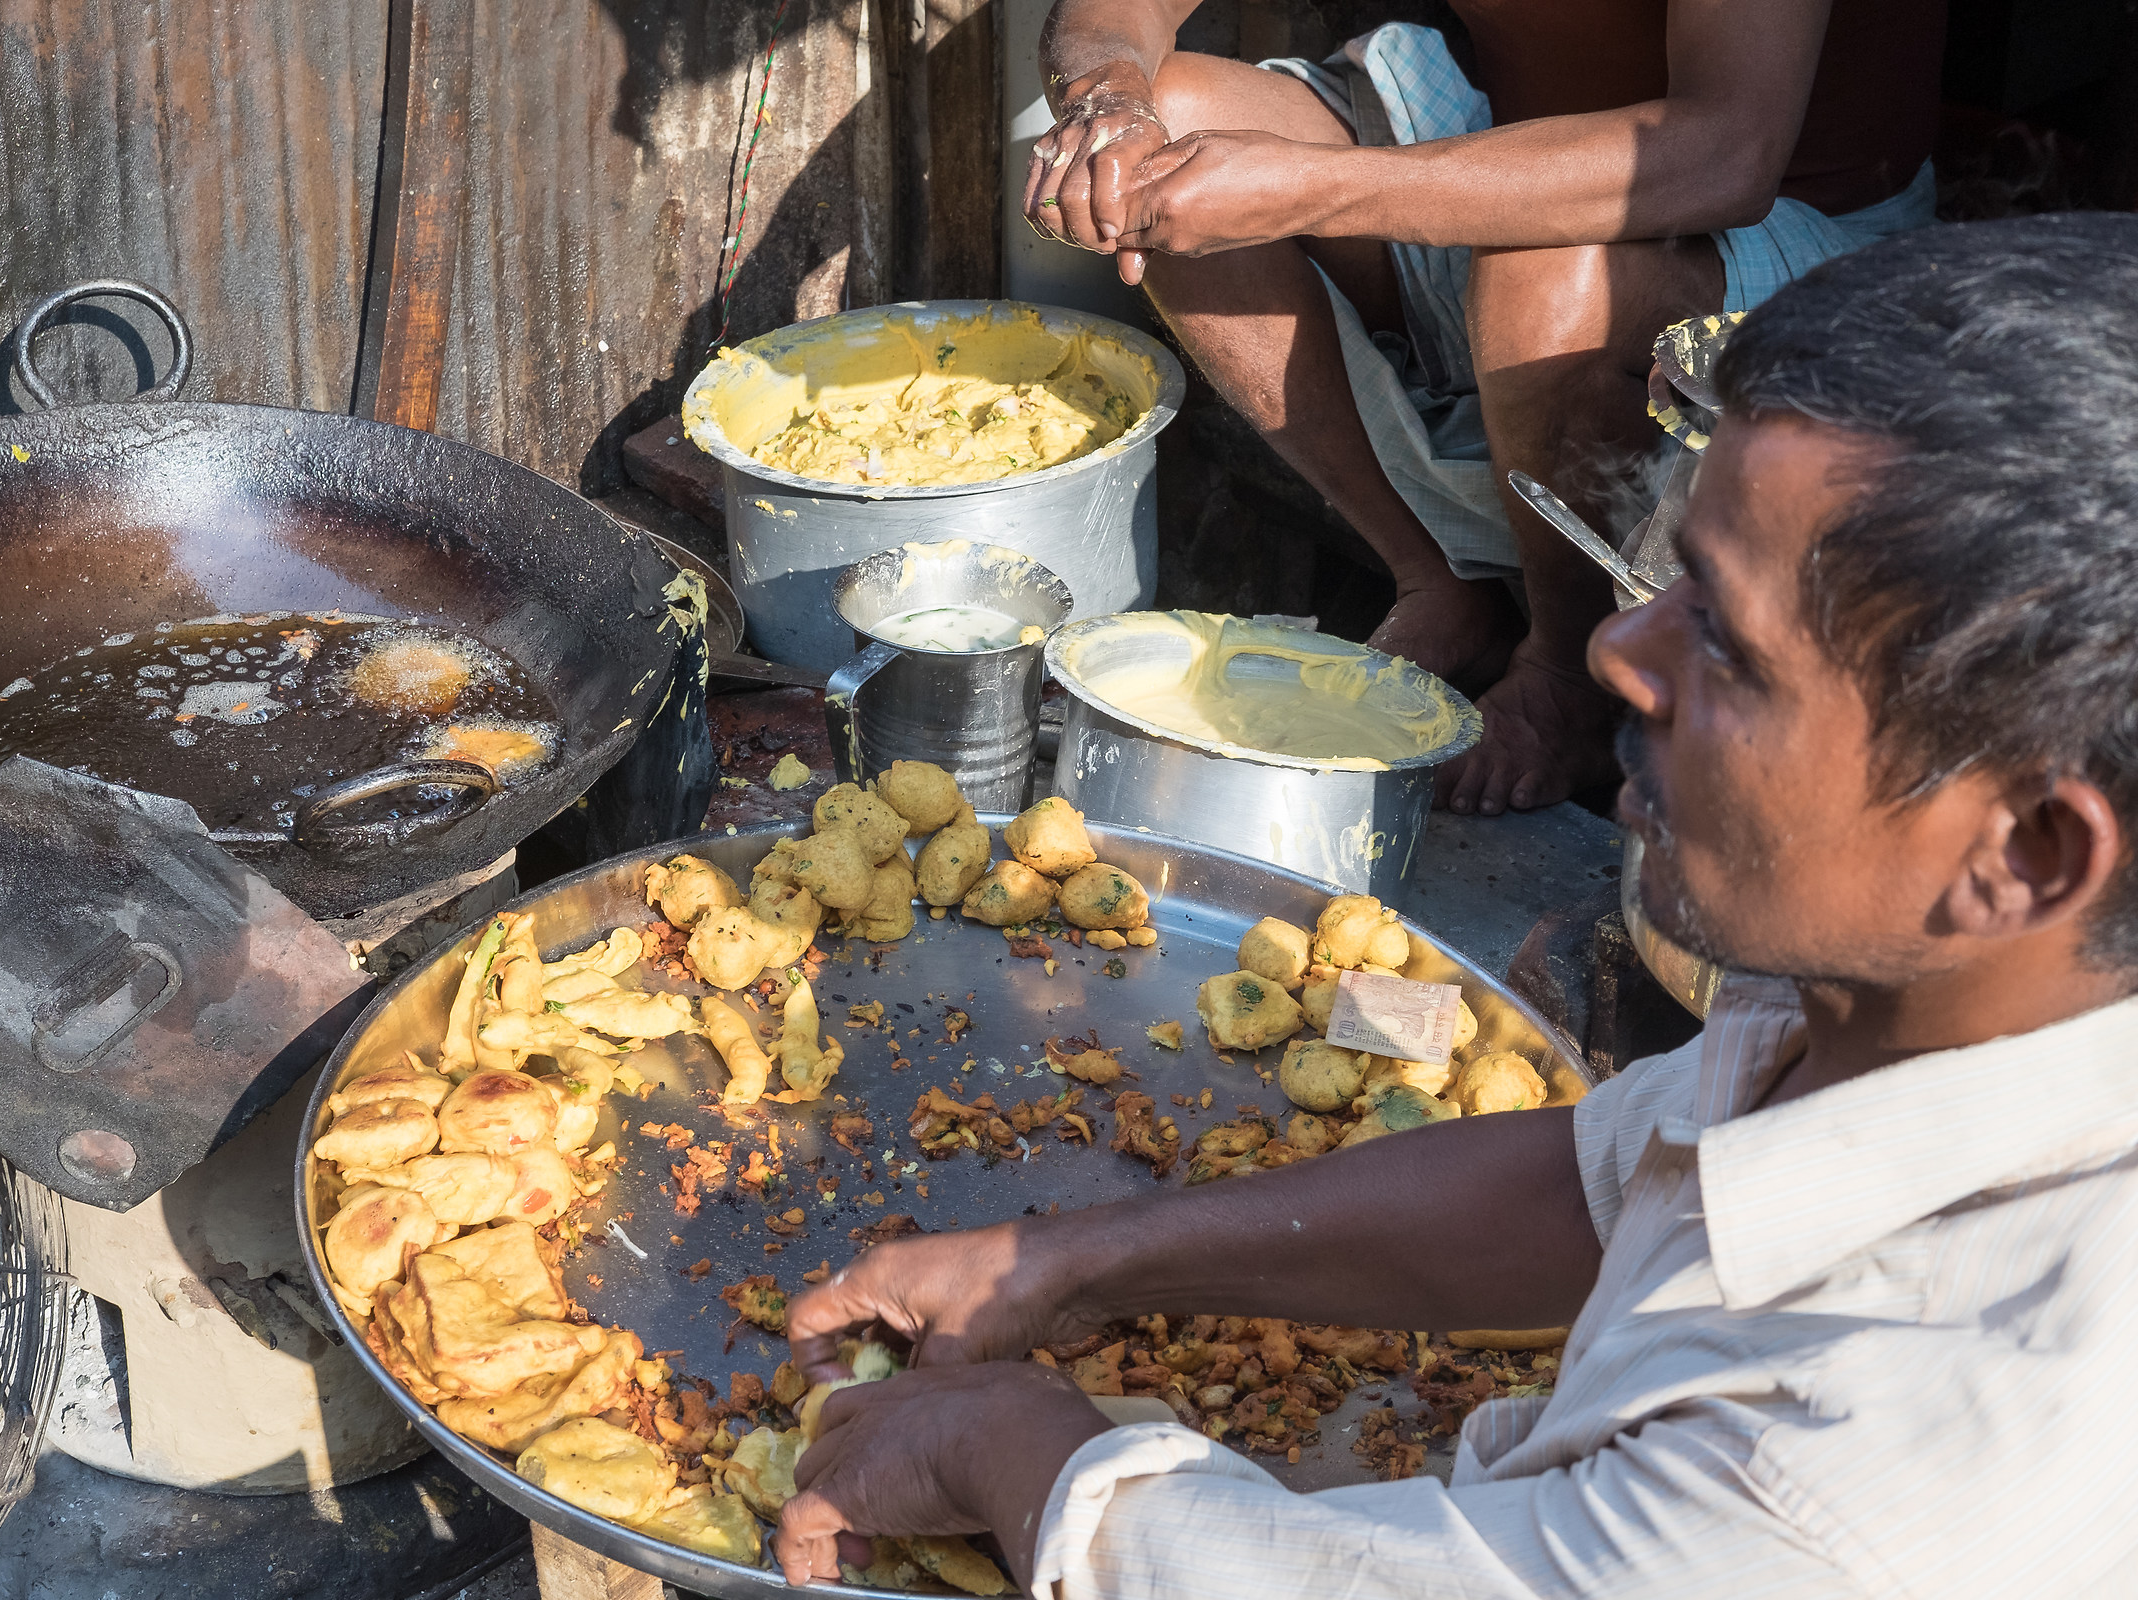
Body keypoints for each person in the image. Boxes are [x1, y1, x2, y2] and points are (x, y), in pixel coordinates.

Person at [768, 214, 2138, 1595]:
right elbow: (1603, 1183)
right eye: (1666, 580)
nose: (1616, 650)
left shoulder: (1861, 1483)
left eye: (1724, 637)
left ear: (2023, 853)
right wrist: (1058, 1264)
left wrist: (1022, 1454)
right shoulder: (1925, 996)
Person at [1020, 0, 1942, 815]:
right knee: (1162, 142)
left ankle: (1570, 669)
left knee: (1539, 268)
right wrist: (1111, 109)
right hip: (1521, 135)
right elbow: (1115, 14)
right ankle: (1433, 579)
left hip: (1796, 234)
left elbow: (1729, 151)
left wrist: (1316, 188)